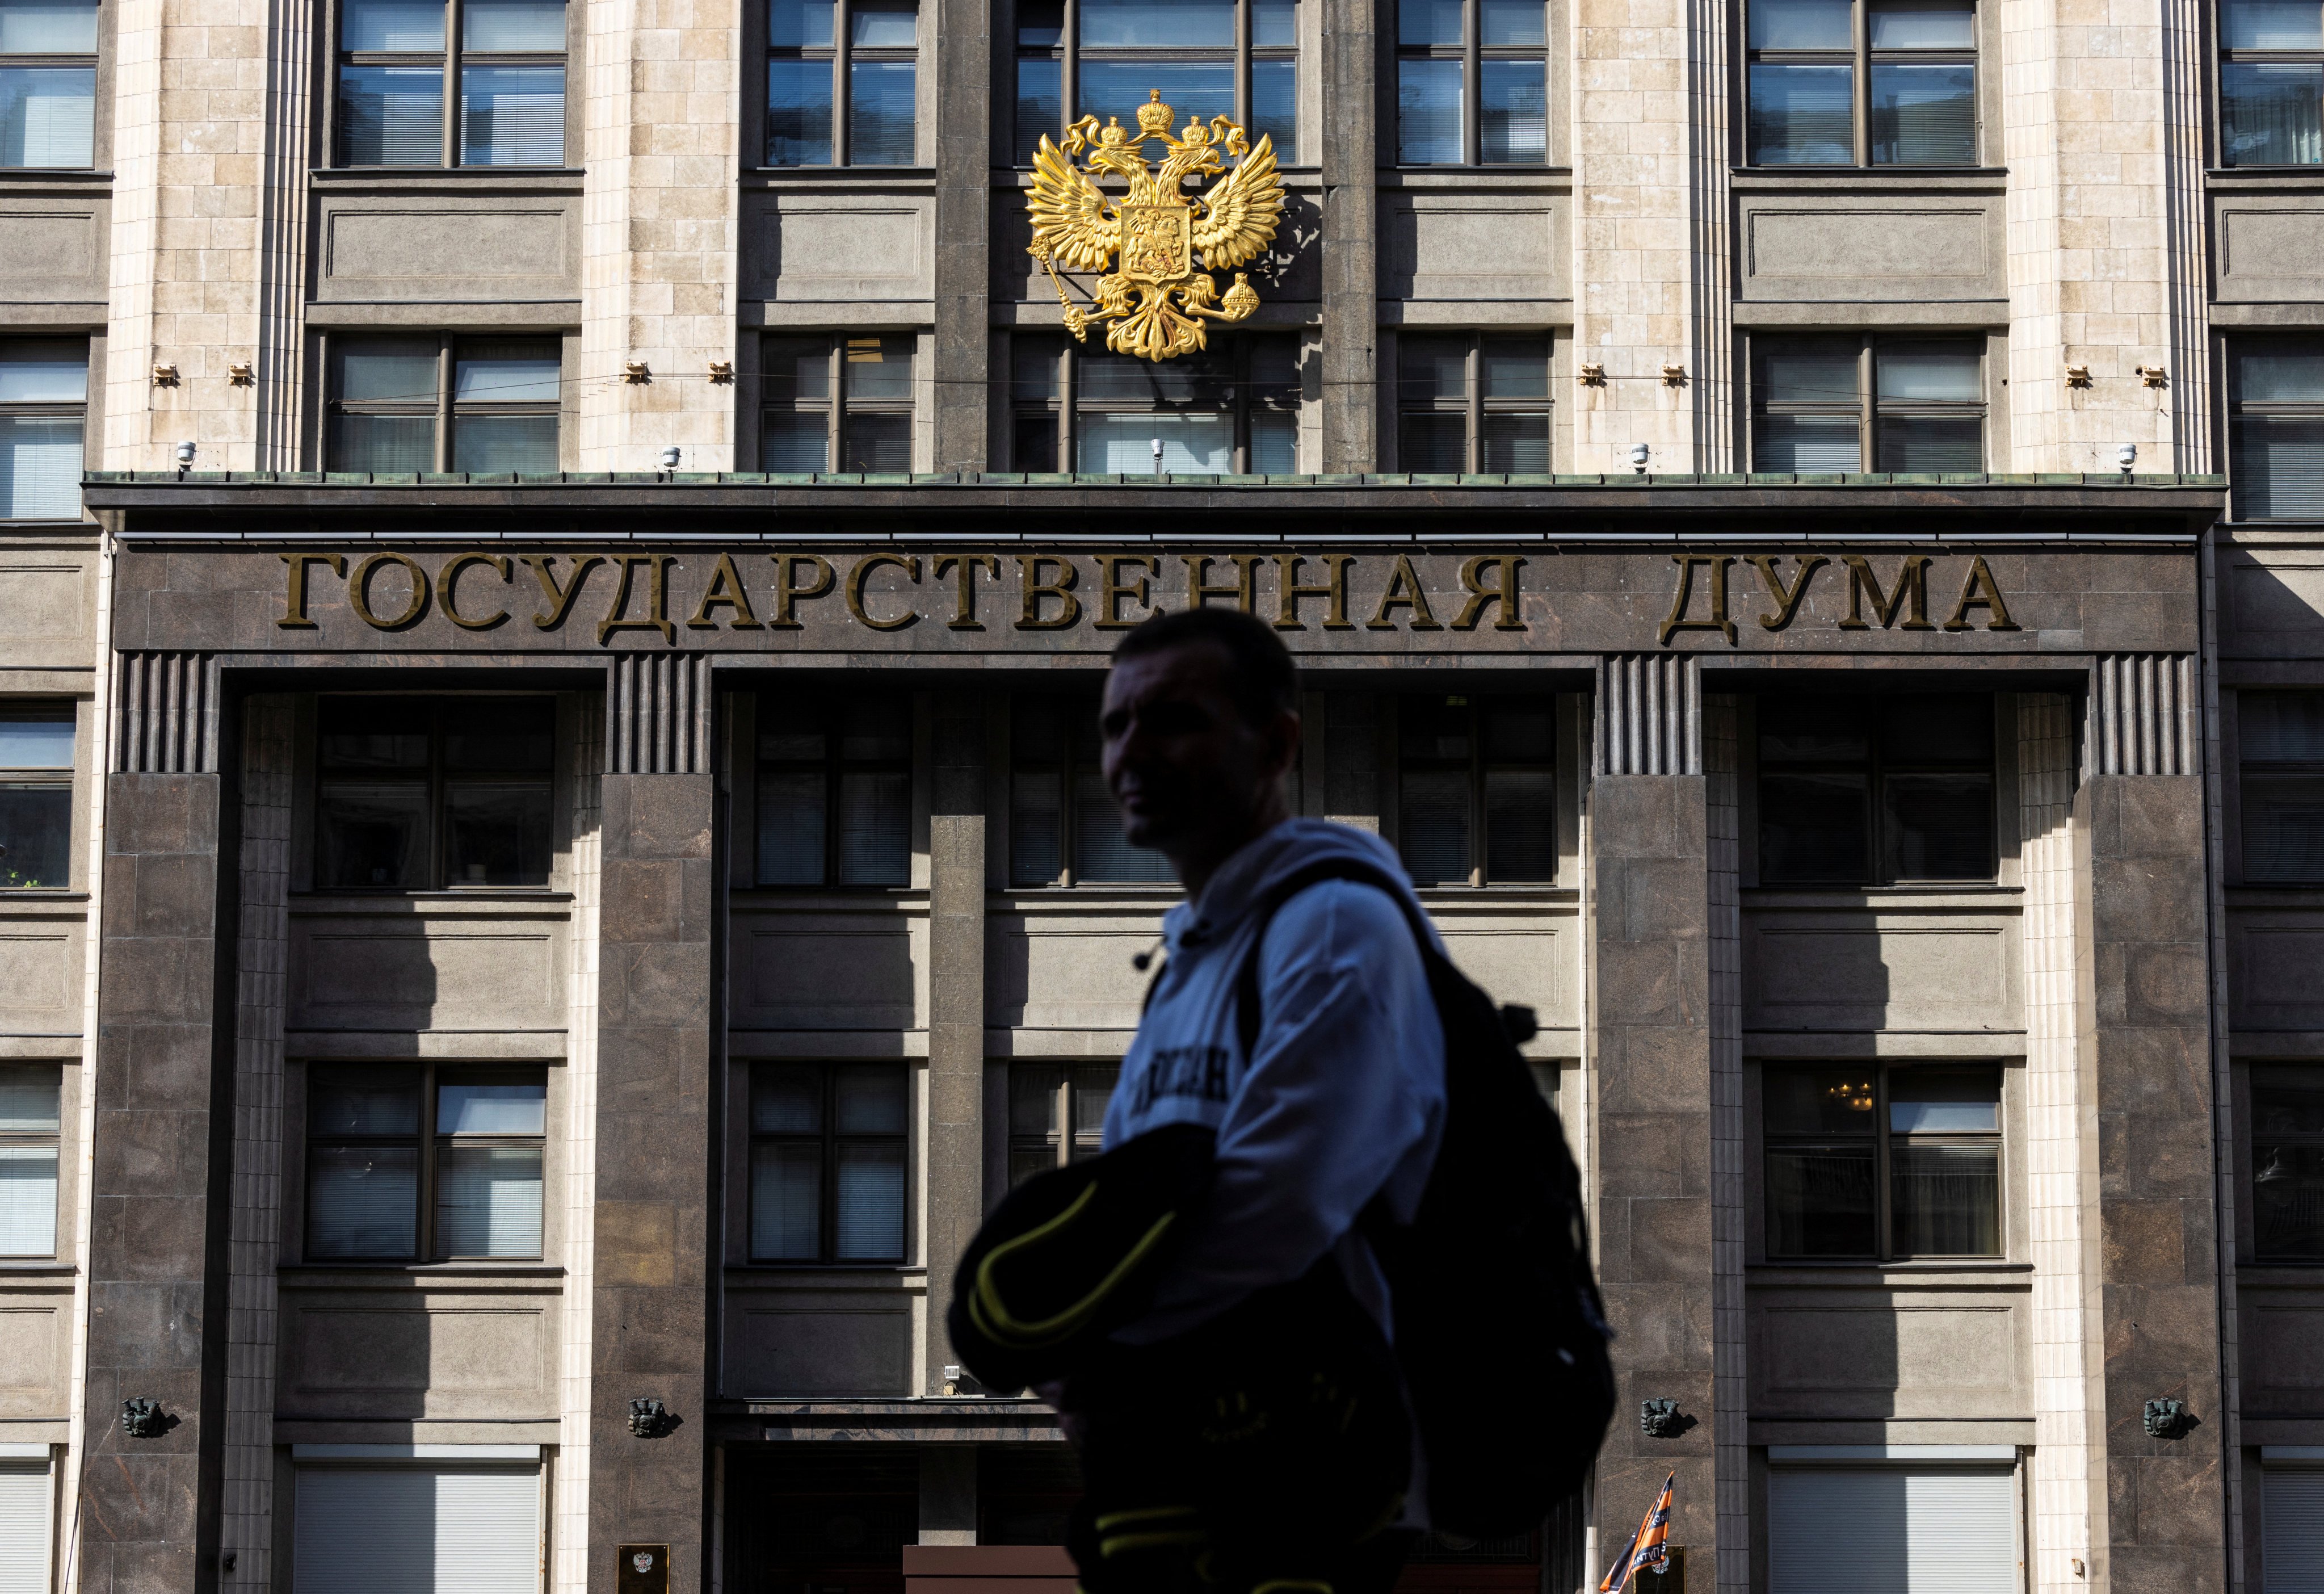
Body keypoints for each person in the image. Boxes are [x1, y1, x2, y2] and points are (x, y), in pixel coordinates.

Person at [1049, 605, 1450, 1594]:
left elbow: (1281, 1204)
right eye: (1115, 726)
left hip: (1311, 1467)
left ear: (1274, 745)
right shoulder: (1192, 957)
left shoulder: (1332, 927)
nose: (1133, 754)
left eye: (1174, 719)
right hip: (1192, 1461)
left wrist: (1078, 1332)